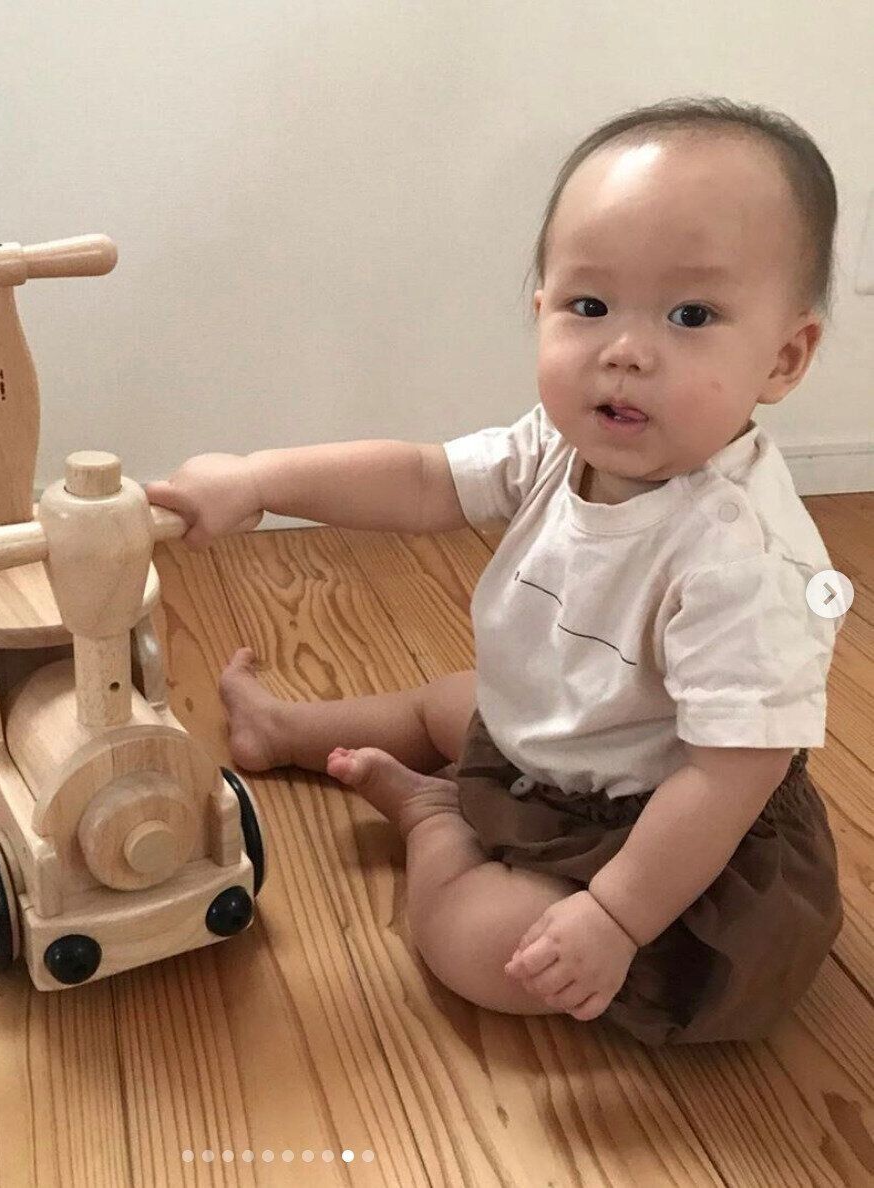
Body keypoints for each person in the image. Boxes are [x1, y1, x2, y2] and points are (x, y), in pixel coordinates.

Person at [145, 97, 845, 1045]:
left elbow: (728, 779)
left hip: (662, 840)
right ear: (542, 310)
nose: (625, 351)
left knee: (486, 946)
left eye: (691, 315)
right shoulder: (558, 447)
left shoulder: (744, 563)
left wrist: (614, 917)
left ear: (784, 357)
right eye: (589, 306)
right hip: (553, 751)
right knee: (454, 699)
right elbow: (422, 478)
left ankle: (432, 822)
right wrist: (259, 481)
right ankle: (286, 729)